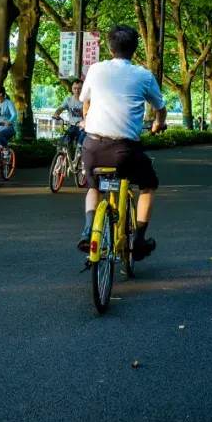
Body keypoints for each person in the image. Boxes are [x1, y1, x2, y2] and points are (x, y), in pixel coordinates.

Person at [77, 25, 166, 258]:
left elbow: (84, 100)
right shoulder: (144, 75)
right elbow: (161, 108)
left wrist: (88, 119)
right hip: (125, 151)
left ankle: (88, 231)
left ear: (109, 48)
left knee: (94, 186)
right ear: (135, 50)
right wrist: (158, 124)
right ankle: (138, 239)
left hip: (93, 147)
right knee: (148, 185)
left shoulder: (95, 70)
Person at [52, 79, 85, 149]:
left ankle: (80, 157)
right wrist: (56, 113)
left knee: (80, 146)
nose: (77, 90)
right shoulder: (68, 100)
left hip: (83, 127)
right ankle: (62, 158)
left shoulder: (86, 100)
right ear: (72, 89)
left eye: (79, 88)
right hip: (72, 126)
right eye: (75, 88)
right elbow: (61, 108)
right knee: (62, 144)